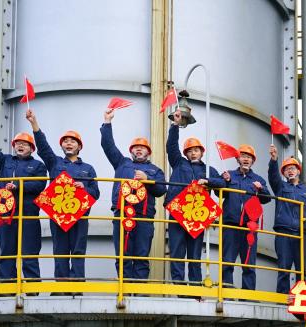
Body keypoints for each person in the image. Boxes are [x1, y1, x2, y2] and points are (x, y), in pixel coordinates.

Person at [26, 109, 100, 282]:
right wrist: (34, 123)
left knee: (78, 251)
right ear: (61, 146)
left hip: (80, 216)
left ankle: (77, 286)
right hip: (58, 215)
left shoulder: (88, 168)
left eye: (73, 141)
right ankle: (61, 287)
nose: (68, 143)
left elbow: (95, 192)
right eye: (65, 141)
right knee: (59, 251)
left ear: (79, 147)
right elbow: (43, 147)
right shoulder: (55, 163)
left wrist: (84, 188)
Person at [101, 109, 167, 281]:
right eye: (136, 148)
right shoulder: (122, 163)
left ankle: (139, 290)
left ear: (148, 152)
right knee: (122, 255)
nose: (139, 150)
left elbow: (161, 190)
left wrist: (147, 179)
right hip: (122, 214)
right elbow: (108, 146)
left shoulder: (155, 170)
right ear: (131, 151)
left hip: (144, 217)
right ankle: (124, 289)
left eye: (142, 148)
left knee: (141, 255)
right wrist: (107, 122)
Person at [0, 118, 48, 281]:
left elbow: (40, 185)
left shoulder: (38, 166)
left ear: (31, 148)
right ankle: (7, 287)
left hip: (28, 215)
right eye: (17, 143)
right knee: (7, 252)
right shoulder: (5, 161)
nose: (20, 146)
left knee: (30, 252)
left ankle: (32, 287)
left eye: (24, 144)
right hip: (6, 215)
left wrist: (18, 185)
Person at [166, 110, 222, 284]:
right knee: (176, 251)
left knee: (194, 254)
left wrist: (209, 181)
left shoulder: (208, 170)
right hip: (178, 213)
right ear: (186, 153)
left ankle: (195, 287)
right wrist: (175, 125)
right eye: (189, 151)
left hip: (197, 215)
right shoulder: (178, 163)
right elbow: (171, 147)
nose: (193, 153)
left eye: (196, 150)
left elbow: (223, 184)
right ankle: (178, 286)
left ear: (202, 152)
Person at [209, 145, 272, 290]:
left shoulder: (258, 179)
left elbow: (267, 199)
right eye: (243, 156)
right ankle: (227, 290)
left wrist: (261, 189)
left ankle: (248, 294)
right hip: (230, 224)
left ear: (253, 161)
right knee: (227, 260)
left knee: (249, 263)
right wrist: (225, 181)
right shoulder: (229, 174)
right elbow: (219, 194)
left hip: (249, 227)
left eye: (249, 157)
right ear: (238, 159)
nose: (246, 159)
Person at [268, 146, 306, 292]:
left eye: (292, 168)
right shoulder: (280, 187)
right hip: (284, 233)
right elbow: (273, 177)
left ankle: (301, 297)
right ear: (283, 173)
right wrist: (274, 160)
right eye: (286, 169)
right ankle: (282, 298)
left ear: (298, 171)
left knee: (302, 269)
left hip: (303, 234)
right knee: (284, 268)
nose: (290, 171)